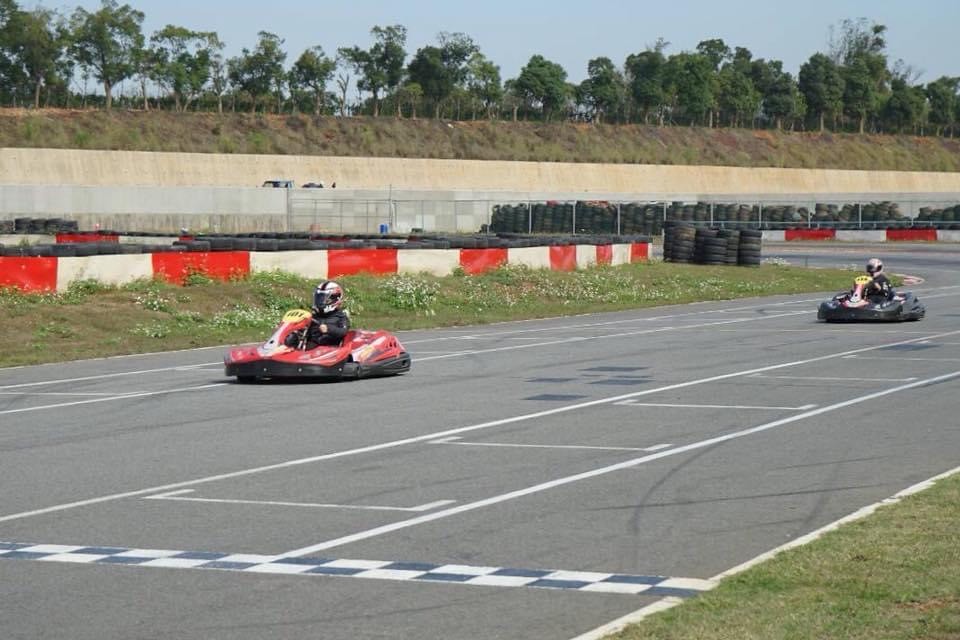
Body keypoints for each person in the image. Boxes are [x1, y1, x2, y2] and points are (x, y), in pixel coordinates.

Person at [285, 280, 350, 348]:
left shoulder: (341, 316)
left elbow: (343, 331)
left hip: (330, 349)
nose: (320, 302)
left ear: (335, 299)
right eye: (319, 298)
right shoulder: (314, 316)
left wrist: (328, 329)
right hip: (312, 347)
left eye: (324, 299)